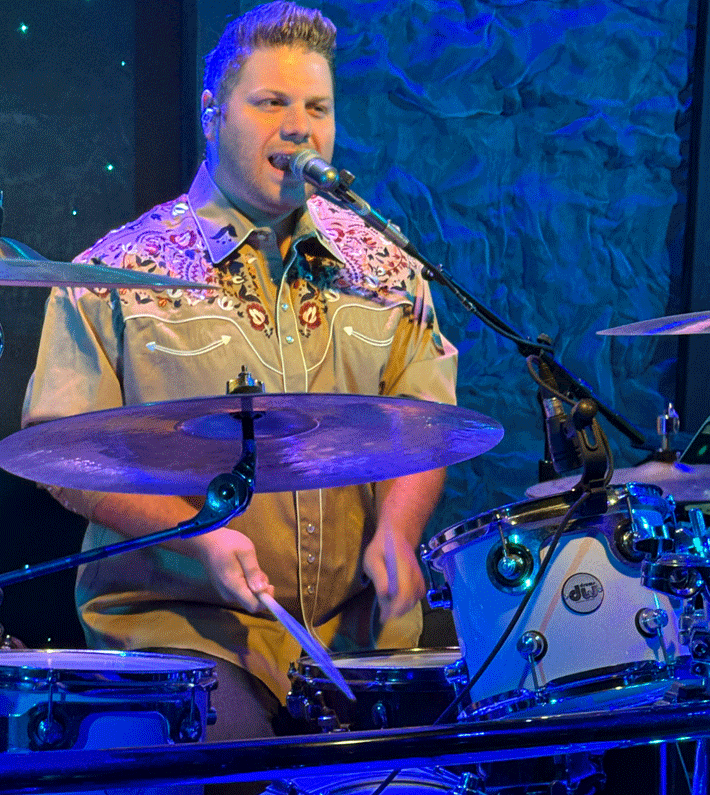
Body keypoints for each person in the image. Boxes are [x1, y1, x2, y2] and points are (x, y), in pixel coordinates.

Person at [22, 0, 457, 748]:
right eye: (271, 103)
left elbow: (426, 423)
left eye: (317, 108)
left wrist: (398, 531)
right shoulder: (112, 276)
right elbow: (62, 455)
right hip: (186, 631)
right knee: (239, 765)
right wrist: (200, 538)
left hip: (359, 634)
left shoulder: (388, 269)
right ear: (212, 113)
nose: (299, 128)